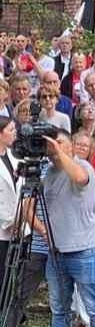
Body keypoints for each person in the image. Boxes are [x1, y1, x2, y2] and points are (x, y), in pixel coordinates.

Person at [42, 131, 95, 327]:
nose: (54, 147)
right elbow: (32, 205)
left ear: (71, 146)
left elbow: (80, 179)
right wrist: (42, 230)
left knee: (94, 308)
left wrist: (60, 152)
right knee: (59, 310)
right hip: (57, 252)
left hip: (83, 251)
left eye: (60, 142)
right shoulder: (49, 173)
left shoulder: (83, 167)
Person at [0, 116, 20, 284]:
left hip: (16, 226)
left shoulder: (13, 156)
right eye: (11, 130)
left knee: (11, 278)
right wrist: (9, 221)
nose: (15, 133)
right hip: (3, 227)